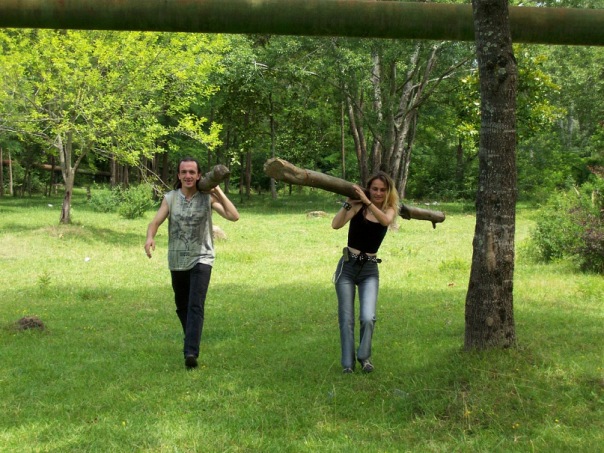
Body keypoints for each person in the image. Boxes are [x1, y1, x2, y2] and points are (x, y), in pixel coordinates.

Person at [145, 157, 239, 369]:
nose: (188, 176)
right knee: (182, 306)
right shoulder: (170, 198)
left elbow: (234, 216)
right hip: (177, 259)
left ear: (198, 176)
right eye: (184, 172)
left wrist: (217, 190)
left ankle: (190, 353)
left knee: (195, 305)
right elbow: (155, 222)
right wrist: (150, 237)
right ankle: (191, 338)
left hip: (202, 257)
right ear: (179, 175)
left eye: (192, 172)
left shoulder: (207, 198)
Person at [331, 172, 399, 374]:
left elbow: (384, 221)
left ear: (388, 192)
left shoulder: (389, 209)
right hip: (347, 266)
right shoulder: (358, 206)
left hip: (369, 269)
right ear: (369, 189)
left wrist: (367, 201)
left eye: (382, 190)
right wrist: (347, 204)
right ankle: (348, 364)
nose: (378, 193)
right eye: (374, 189)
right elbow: (335, 225)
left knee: (368, 317)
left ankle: (364, 357)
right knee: (346, 319)